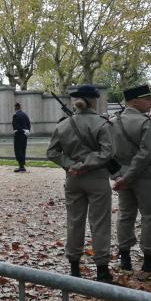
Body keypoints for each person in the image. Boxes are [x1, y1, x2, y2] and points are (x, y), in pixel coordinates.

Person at [46, 85, 114, 282]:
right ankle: (102, 269)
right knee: (100, 223)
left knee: (74, 222)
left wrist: (72, 166)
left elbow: (52, 153)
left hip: (73, 178)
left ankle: (74, 267)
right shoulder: (102, 124)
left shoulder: (62, 125)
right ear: (93, 101)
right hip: (97, 178)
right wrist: (87, 164)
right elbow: (108, 152)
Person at [111, 85, 151, 275]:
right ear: (135, 101)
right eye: (147, 99)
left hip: (123, 177)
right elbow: (145, 154)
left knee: (126, 215)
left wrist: (118, 176)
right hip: (145, 176)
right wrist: (127, 177)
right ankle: (149, 260)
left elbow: (109, 153)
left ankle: (125, 257)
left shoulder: (113, 121)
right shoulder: (146, 122)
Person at [12, 102, 31, 172]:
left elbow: (16, 126)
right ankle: (22, 165)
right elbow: (29, 124)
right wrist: (27, 131)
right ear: (20, 107)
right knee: (23, 149)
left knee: (18, 150)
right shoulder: (25, 115)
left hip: (18, 135)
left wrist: (22, 131)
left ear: (15, 107)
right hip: (25, 135)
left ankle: (21, 166)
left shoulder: (15, 115)